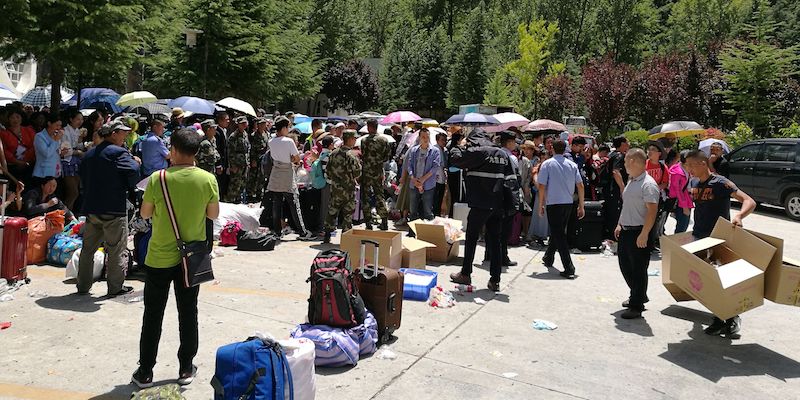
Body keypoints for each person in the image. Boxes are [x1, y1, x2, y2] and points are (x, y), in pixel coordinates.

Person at [132, 128, 220, 389]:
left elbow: (145, 214)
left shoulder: (158, 178)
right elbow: (213, 215)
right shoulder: (207, 179)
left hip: (159, 257)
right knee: (188, 312)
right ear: (196, 152)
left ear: (172, 150)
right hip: (191, 259)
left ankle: (145, 371)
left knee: (153, 314)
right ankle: (185, 367)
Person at [685, 149, 756, 336]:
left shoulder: (720, 182)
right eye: (686, 165)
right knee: (707, 282)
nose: (688, 169)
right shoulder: (693, 183)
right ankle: (718, 317)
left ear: (703, 164)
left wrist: (739, 216)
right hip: (699, 239)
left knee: (724, 281)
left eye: (691, 165)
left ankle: (732, 318)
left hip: (719, 239)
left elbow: (749, 201)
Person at [76, 121, 141, 296]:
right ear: (113, 134)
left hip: (92, 208)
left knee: (88, 250)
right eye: (123, 133)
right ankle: (115, 287)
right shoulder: (118, 152)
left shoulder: (90, 154)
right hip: (113, 208)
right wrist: (135, 162)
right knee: (116, 250)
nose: (126, 136)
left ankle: (83, 285)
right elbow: (133, 171)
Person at [448, 129, 515, 292]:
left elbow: (454, 160)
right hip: (497, 204)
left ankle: (466, 273)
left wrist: (459, 145)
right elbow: (512, 180)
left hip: (480, 204)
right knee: (495, 241)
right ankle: (495, 280)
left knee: (471, 238)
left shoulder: (478, 152)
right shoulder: (502, 154)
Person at [614, 149, 660, 319]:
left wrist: (644, 233)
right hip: (627, 230)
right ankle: (638, 294)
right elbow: (627, 205)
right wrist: (620, 224)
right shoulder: (632, 180)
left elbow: (652, 211)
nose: (624, 164)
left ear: (633, 161)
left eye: (626, 161)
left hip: (639, 231)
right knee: (625, 265)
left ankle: (636, 305)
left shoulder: (648, 184)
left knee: (638, 269)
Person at [538, 139, 585, 279]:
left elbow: (542, 186)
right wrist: (581, 205)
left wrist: (541, 204)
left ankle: (569, 267)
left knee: (558, 234)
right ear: (565, 149)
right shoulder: (572, 165)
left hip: (553, 203)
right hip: (568, 203)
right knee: (557, 232)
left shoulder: (547, 164)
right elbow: (580, 185)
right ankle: (548, 257)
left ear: (552, 148)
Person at [267, 117, 315, 240]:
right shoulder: (288, 141)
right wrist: (293, 159)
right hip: (287, 172)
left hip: (276, 172)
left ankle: (277, 232)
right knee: (294, 203)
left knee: (276, 204)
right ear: (283, 128)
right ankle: (302, 232)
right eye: (288, 127)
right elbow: (297, 158)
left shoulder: (271, 141)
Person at [322, 130, 361, 243]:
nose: (355, 140)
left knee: (332, 211)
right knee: (348, 214)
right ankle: (346, 238)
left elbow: (328, 171)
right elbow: (357, 173)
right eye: (354, 138)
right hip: (348, 190)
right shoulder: (352, 156)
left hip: (335, 188)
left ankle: (327, 235)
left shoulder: (333, 153)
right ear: (350, 139)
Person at [359, 119, 392, 230]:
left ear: (369, 127)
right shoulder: (384, 140)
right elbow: (387, 157)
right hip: (378, 171)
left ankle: (368, 223)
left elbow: (363, 155)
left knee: (366, 197)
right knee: (379, 196)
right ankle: (384, 221)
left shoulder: (364, 140)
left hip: (366, 172)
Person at [405, 127, 441, 223]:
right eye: (423, 137)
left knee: (428, 210)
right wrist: (413, 178)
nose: (425, 139)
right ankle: (412, 230)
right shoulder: (414, 150)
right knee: (413, 210)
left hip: (428, 184)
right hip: (414, 183)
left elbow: (435, 167)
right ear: (419, 138)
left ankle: (428, 230)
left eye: (427, 137)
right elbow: (409, 165)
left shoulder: (435, 151)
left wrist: (423, 179)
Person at [1, 108, 36, 184]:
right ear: (8, 119)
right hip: (13, 166)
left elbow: (35, 145)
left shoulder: (29, 130)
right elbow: (4, 150)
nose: (15, 120)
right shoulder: (3, 133)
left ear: (21, 118)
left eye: (17, 117)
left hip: (29, 165)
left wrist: (26, 159)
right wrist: (17, 162)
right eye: (12, 117)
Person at [645, 141, 670, 246]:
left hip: (656, 198)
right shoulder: (644, 164)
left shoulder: (663, 167)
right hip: (643, 197)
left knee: (654, 220)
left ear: (659, 153)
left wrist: (655, 188)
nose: (649, 152)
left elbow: (665, 183)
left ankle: (651, 242)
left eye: (653, 150)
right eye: (649, 149)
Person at [604, 135, 629, 241]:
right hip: (615, 189)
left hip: (608, 189)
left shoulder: (611, 154)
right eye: (627, 142)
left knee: (611, 213)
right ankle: (614, 238)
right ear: (622, 144)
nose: (628, 144)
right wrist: (622, 188)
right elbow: (616, 171)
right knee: (616, 214)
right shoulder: (619, 156)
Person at [60, 110, 85, 210]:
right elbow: (64, 151)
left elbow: (79, 146)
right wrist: (78, 152)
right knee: (73, 192)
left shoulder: (77, 130)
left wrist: (80, 139)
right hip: (66, 162)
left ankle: (69, 213)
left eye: (82, 119)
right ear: (71, 119)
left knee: (75, 192)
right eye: (78, 119)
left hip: (75, 162)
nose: (80, 121)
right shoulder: (65, 131)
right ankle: (65, 214)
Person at [311, 135, 334, 234]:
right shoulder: (328, 156)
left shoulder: (322, 154)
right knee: (326, 206)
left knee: (325, 205)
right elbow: (327, 172)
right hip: (327, 183)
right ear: (330, 144)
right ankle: (323, 228)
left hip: (324, 183)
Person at [225, 116, 250, 203]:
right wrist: (233, 165)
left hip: (244, 164)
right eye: (242, 123)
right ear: (238, 124)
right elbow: (230, 152)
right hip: (237, 164)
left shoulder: (245, 134)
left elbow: (247, 149)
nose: (244, 125)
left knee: (242, 184)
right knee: (234, 185)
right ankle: (230, 202)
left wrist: (248, 162)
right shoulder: (233, 136)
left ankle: (238, 201)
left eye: (245, 123)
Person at [32, 113, 65, 180]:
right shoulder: (39, 136)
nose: (58, 128)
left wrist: (62, 153)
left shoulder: (56, 136)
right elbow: (47, 154)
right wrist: (55, 140)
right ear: (49, 123)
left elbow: (56, 152)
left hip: (56, 171)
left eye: (60, 126)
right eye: (57, 125)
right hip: (43, 173)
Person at [668, 150, 693, 233]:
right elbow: (678, 191)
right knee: (682, 227)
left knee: (684, 225)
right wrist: (684, 207)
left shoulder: (686, 169)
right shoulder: (677, 173)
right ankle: (677, 241)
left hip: (686, 198)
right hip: (680, 202)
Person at [247, 117, 269, 203]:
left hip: (263, 159)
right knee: (253, 177)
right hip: (255, 158)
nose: (263, 126)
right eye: (261, 124)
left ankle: (259, 194)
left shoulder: (266, 134)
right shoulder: (253, 135)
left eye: (264, 124)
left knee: (261, 177)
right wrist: (253, 160)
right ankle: (250, 194)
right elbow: (251, 149)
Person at [214, 112, 231, 199]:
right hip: (220, 163)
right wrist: (218, 164)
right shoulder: (217, 132)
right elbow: (218, 149)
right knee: (220, 183)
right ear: (220, 121)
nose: (228, 121)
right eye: (226, 119)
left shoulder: (224, 131)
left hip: (225, 163)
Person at [433, 131, 448, 217]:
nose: (444, 142)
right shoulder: (435, 149)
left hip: (442, 176)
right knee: (435, 198)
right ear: (437, 140)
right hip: (435, 177)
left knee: (440, 197)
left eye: (445, 140)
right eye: (442, 140)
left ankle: (437, 214)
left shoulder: (445, 150)